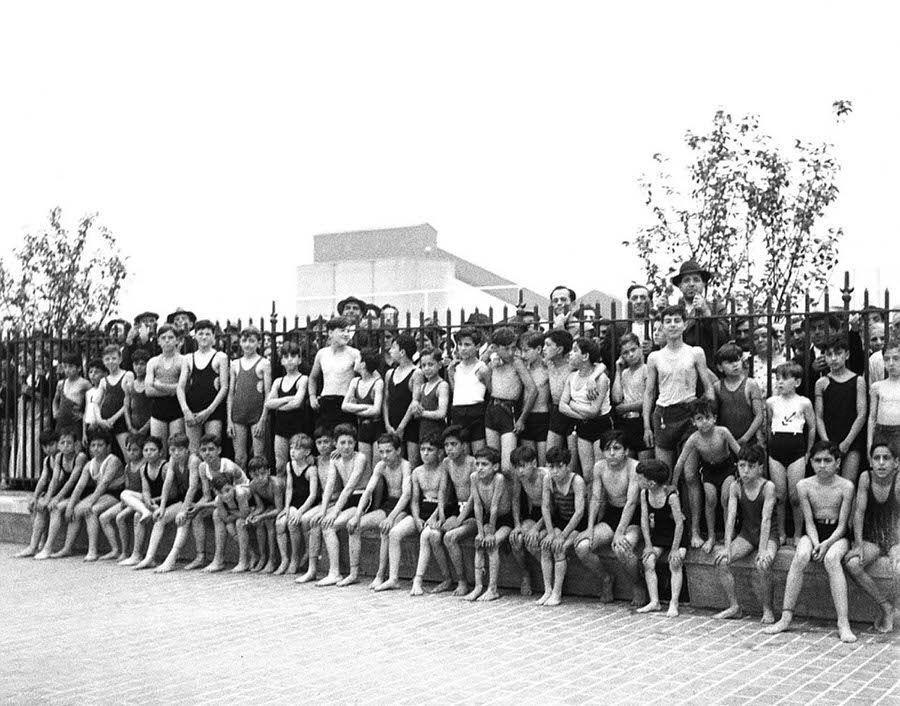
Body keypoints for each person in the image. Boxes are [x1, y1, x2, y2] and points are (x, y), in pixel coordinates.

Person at [765, 441, 857, 643]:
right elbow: (808, 521)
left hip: (837, 534)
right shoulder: (804, 485)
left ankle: (843, 623)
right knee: (800, 555)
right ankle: (785, 617)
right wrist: (816, 543)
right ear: (811, 462)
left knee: (832, 559)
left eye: (827, 460)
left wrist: (826, 545)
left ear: (837, 463)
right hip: (814, 530)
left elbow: (843, 526)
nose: (822, 465)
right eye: (818, 460)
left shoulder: (846, 486)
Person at [713, 444, 778, 622]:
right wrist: (727, 547)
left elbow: (766, 520)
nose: (746, 471)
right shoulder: (735, 486)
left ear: (760, 467)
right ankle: (734, 606)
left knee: (763, 564)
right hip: (747, 534)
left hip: (769, 534)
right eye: (742, 466)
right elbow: (731, 518)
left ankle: (768, 609)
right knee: (722, 561)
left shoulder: (768, 487)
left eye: (751, 466)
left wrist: (763, 549)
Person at [576, 430, 641, 604]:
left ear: (626, 451)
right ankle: (606, 578)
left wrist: (620, 532)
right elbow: (596, 499)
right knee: (582, 547)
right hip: (612, 515)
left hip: (633, 518)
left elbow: (631, 502)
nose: (611, 453)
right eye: (607, 449)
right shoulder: (599, 467)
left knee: (622, 548)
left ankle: (637, 584)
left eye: (616, 448)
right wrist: (590, 528)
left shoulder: (634, 467)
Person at [843, 439, 900, 633]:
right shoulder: (865, 478)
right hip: (872, 535)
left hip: (894, 535)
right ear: (871, 462)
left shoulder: (899, 481)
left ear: (896, 463)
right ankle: (885, 606)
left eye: (886, 458)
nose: (882, 463)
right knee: (852, 564)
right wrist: (858, 544)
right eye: (877, 458)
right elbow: (859, 512)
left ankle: (893, 606)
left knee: (899, 568)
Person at [674, 399, 742, 551]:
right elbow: (680, 462)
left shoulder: (723, 432)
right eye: (699, 419)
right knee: (710, 499)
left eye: (708, 418)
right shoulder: (694, 439)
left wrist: (744, 469)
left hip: (726, 468)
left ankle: (728, 534)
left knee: (726, 497)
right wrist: (673, 484)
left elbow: (739, 451)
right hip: (709, 471)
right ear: (693, 422)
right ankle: (711, 536)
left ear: (714, 418)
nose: (704, 422)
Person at [347, 432, 412, 590]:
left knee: (385, 528)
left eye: (388, 451)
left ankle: (381, 575)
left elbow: (406, 495)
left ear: (398, 450)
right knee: (355, 526)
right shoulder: (380, 466)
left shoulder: (405, 465)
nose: (384, 456)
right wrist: (357, 514)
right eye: (381, 451)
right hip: (388, 504)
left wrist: (391, 518)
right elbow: (368, 491)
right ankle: (353, 573)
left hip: (403, 507)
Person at [47, 429, 125, 561]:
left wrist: (90, 502)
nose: (96, 449)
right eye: (93, 445)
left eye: (100, 445)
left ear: (107, 446)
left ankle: (94, 550)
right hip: (101, 494)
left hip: (115, 493)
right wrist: (71, 505)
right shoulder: (90, 464)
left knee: (90, 510)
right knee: (76, 510)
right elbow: (79, 486)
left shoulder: (113, 461)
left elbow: (104, 484)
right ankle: (67, 547)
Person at [767, 362, 816, 546]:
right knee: (779, 496)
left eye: (784, 378)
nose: (780, 382)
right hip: (776, 452)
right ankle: (781, 533)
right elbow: (768, 425)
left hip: (797, 451)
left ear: (797, 382)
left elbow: (811, 428)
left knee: (795, 497)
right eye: (777, 378)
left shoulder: (804, 402)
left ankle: (797, 533)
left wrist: (808, 451)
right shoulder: (771, 402)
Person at [316, 423, 371, 587]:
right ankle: (334, 572)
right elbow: (329, 487)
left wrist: (335, 512)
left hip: (361, 498)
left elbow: (350, 487)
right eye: (342, 443)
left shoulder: (360, 458)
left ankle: (336, 573)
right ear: (335, 444)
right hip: (346, 499)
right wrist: (324, 510)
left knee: (332, 524)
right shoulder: (336, 461)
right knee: (325, 523)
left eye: (350, 442)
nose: (346, 447)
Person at [135, 433, 199, 570]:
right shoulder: (173, 460)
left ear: (187, 449)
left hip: (198, 499)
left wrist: (183, 511)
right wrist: (162, 507)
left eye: (180, 450)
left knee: (183, 518)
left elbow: (193, 488)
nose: (176, 453)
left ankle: (171, 559)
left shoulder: (193, 460)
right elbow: (167, 484)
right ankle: (149, 558)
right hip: (184, 500)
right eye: (173, 450)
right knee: (160, 518)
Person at [636, 458, 688, 617]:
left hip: (676, 536)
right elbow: (644, 520)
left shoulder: (671, 496)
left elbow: (680, 524)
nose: (637, 480)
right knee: (648, 561)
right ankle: (654, 601)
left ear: (651, 483)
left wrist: (674, 549)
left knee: (675, 562)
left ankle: (674, 602)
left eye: (640, 478)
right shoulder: (644, 493)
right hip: (659, 534)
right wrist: (648, 544)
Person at [537, 445, 586, 607]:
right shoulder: (547, 479)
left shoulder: (576, 481)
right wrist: (551, 533)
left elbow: (579, 512)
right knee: (545, 545)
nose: (555, 471)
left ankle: (557, 592)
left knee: (559, 548)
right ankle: (547, 590)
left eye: (560, 466)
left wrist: (562, 536)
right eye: (551, 467)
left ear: (567, 466)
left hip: (577, 523)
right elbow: (545, 507)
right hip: (561, 520)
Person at [814, 335, 867, 484]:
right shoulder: (821, 383)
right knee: (831, 481)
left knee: (849, 480)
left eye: (838, 353)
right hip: (829, 436)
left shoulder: (858, 381)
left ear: (847, 354)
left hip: (852, 438)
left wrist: (847, 442)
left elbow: (862, 414)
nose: (834, 358)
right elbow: (818, 416)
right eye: (829, 354)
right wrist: (826, 441)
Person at [462, 447, 513, 602]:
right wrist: (480, 532)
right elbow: (477, 505)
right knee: (479, 543)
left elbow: (495, 506)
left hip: (504, 519)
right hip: (487, 518)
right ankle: (478, 587)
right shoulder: (474, 477)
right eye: (477, 464)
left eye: (484, 464)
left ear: (495, 466)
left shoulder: (499, 479)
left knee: (492, 544)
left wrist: (490, 533)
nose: (479, 468)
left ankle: (493, 588)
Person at [484, 327, 537, 474]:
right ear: (495, 348)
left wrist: (521, 419)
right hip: (493, 408)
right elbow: (487, 384)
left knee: (508, 467)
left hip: (509, 410)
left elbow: (533, 390)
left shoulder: (516, 363)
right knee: (492, 462)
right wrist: (490, 363)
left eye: (513, 348)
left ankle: (514, 498)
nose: (510, 353)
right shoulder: (493, 363)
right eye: (506, 349)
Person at [559, 336, 611, 479]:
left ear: (585, 356)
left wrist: (572, 404)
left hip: (601, 425)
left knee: (600, 471)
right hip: (582, 425)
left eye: (575, 350)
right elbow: (562, 406)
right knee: (587, 473)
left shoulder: (601, 379)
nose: (570, 353)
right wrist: (584, 415)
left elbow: (594, 411)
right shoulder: (571, 377)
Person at [33, 428, 88, 559]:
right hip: (66, 494)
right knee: (41, 506)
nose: (65, 446)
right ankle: (33, 546)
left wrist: (56, 498)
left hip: (80, 494)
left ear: (75, 444)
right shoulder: (58, 457)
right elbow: (54, 479)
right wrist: (47, 497)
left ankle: (48, 547)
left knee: (56, 508)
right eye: (62, 443)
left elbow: (72, 481)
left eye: (69, 443)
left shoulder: (80, 457)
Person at [409, 434, 454, 596]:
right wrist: (416, 518)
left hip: (440, 510)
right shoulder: (417, 472)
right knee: (432, 536)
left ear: (439, 452)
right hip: (423, 510)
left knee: (428, 535)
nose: (425, 453)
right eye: (422, 449)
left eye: (430, 449)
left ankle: (417, 580)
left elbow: (444, 496)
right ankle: (447, 578)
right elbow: (414, 500)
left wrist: (433, 517)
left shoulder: (444, 469)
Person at [197, 433, 250, 573]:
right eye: (203, 450)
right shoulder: (203, 468)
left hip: (242, 498)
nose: (207, 453)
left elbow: (235, 492)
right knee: (214, 514)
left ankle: (244, 560)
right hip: (227, 500)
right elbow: (207, 495)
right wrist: (196, 507)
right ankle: (218, 559)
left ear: (219, 450)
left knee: (230, 519)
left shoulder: (228, 467)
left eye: (211, 449)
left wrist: (227, 512)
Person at [118, 435, 171, 566]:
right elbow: (145, 490)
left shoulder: (165, 467)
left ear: (160, 452)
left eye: (152, 450)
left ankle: (147, 556)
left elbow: (172, 493)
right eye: (146, 450)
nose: (148, 453)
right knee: (125, 494)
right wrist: (147, 501)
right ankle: (136, 555)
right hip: (151, 501)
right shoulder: (144, 468)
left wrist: (154, 501)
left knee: (137, 515)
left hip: (166, 501)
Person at [177, 319, 229, 454]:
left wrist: (209, 411)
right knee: (193, 451)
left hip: (213, 410)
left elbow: (224, 387)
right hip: (192, 409)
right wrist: (186, 410)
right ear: (195, 336)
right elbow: (180, 386)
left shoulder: (220, 357)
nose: (204, 337)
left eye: (207, 334)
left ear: (213, 337)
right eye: (200, 334)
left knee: (212, 449)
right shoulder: (188, 358)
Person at [441, 425, 479, 596]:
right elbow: (443, 490)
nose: (449, 449)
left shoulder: (473, 463)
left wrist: (460, 519)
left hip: (473, 513)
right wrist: (442, 515)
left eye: (454, 444)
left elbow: (473, 496)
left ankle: (462, 581)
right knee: (433, 535)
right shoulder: (446, 463)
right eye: (447, 445)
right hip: (457, 509)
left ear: (464, 446)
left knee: (450, 537)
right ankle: (447, 579)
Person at [228, 326, 271, 470]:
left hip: (256, 415)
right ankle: (242, 487)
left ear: (259, 343)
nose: (248, 344)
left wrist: (262, 420)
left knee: (258, 456)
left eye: (252, 341)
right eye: (245, 340)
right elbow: (231, 393)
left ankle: (258, 487)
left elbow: (268, 395)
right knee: (239, 457)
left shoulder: (264, 363)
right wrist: (229, 420)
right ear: (240, 342)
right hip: (238, 414)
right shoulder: (234, 364)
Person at [671, 260, 729, 368]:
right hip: (679, 367)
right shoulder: (674, 311)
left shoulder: (717, 308)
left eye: (696, 280)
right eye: (686, 280)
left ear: (703, 284)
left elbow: (723, 338)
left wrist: (706, 313)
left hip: (708, 367)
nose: (691, 284)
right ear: (680, 286)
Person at [97, 433, 146, 562]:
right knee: (104, 517)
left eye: (135, 450)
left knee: (120, 518)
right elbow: (127, 486)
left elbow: (145, 489)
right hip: (128, 499)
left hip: (139, 500)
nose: (131, 453)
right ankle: (117, 550)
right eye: (128, 450)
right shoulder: (127, 466)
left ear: (142, 450)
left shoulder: (143, 465)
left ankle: (130, 552)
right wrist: (124, 502)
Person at [275, 433, 319, 575]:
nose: (292, 451)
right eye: (291, 448)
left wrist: (300, 511)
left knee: (293, 523)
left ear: (307, 452)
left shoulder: (311, 470)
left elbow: (312, 495)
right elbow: (289, 488)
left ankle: (296, 557)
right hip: (294, 502)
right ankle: (284, 559)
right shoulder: (290, 465)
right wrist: (287, 507)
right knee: (280, 523)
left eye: (297, 449)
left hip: (307, 504)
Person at [308, 316, 361, 431]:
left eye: (348, 331)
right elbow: (312, 377)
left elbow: (366, 377)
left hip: (345, 402)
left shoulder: (354, 353)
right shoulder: (322, 353)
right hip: (325, 402)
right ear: (330, 333)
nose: (346, 334)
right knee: (326, 441)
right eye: (342, 331)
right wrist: (312, 396)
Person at [266, 341, 310, 473]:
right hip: (280, 427)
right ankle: (281, 493)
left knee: (298, 464)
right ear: (281, 361)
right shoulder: (278, 381)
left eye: (293, 356)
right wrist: (287, 399)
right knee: (280, 465)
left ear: (299, 359)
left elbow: (297, 403)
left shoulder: (303, 379)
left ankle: (295, 493)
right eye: (285, 357)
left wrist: (277, 405)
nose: (289, 360)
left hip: (297, 427)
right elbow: (268, 404)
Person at [508, 445, 546, 597]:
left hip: (551, 514)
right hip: (536, 512)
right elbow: (516, 500)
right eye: (517, 467)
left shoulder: (545, 476)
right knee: (516, 539)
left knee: (532, 541)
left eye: (523, 466)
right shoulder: (519, 477)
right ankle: (525, 573)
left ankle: (549, 574)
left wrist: (536, 528)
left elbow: (551, 507)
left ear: (534, 463)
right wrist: (517, 525)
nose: (520, 471)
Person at [15, 430, 59, 558]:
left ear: (57, 443)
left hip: (62, 492)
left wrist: (47, 498)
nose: (48, 448)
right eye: (45, 446)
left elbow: (56, 480)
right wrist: (34, 496)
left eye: (51, 444)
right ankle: (35, 544)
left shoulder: (59, 457)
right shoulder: (47, 460)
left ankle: (41, 546)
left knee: (44, 505)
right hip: (53, 492)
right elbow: (43, 479)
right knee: (35, 505)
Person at [447, 326, 489, 453]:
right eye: (460, 344)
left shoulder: (481, 368)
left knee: (478, 451)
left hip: (476, 411)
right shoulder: (455, 367)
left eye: (467, 344)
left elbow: (490, 390)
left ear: (477, 347)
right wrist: (450, 374)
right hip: (458, 411)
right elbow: (456, 390)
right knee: (462, 453)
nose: (462, 348)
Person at [383, 333, 423, 466]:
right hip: (392, 423)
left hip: (409, 424)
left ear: (402, 352)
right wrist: (388, 424)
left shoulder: (416, 373)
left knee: (411, 463)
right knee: (395, 464)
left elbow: (414, 401)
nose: (390, 350)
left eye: (393, 347)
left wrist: (402, 427)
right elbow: (386, 401)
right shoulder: (390, 373)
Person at [714, 342, 764, 447]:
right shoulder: (718, 387)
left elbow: (759, 415)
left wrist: (745, 438)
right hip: (726, 442)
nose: (735, 365)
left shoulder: (751, 384)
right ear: (720, 367)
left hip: (749, 441)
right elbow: (715, 416)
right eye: (729, 362)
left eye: (737, 360)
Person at [341, 348, 384, 470]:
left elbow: (376, 410)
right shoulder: (355, 382)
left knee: (377, 468)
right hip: (362, 428)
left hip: (376, 428)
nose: (355, 362)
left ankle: (376, 490)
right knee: (365, 467)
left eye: (358, 359)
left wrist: (354, 408)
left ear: (363, 364)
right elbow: (344, 406)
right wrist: (366, 407)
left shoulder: (378, 383)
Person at [145, 324, 185, 450]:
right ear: (158, 341)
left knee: (177, 448)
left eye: (170, 337)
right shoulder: (153, 362)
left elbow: (184, 387)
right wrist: (173, 390)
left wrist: (159, 385)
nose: (167, 340)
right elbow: (149, 391)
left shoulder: (183, 361)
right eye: (163, 337)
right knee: (158, 449)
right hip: (158, 410)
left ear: (177, 340)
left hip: (176, 410)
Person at [612, 333, 650, 459]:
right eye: (626, 353)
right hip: (626, 423)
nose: (631, 355)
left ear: (640, 349)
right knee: (629, 464)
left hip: (641, 420)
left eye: (633, 350)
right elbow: (617, 398)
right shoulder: (624, 373)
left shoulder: (646, 369)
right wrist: (618, 371)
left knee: (645, 464)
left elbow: (648, 400)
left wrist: (625, 408)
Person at [245, 456, 285, 573]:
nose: (260, 478)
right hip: (270, 506)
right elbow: (260, 507)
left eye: (263, 474)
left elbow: (279, 508)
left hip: (284, 505)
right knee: (258, 523)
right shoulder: (253, 485)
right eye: (256, 475)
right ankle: (263, 557)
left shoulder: (276, 484)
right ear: (251, 475)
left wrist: (261, 516)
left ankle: (272, 559)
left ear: (268, 471)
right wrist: (252, 515)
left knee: (268, 521)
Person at [208, 473, 253, 573]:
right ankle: (218, 559)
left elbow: (245, 514)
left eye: (228, 490)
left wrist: (230, 512)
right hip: (239, 512)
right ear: (215, 492)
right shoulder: (218, 500)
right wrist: (234, 513)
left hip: (255, 510)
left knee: (239, 524)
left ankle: (244, 560)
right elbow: (225, 518)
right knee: (217, 515)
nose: (225, 495)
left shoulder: (240, 494)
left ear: (233, 485)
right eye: (221, 492)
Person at [519, 332, 550, 465]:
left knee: (543, 462)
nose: (523, 355)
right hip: (526, 418)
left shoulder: (547, 369)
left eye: (526, 351)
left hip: (542, 416)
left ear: (538, 349)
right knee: (528, 462)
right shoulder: (523, 369)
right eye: (522, 351)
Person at [868, 341, 900, 456]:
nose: (891, 363)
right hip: (881, 435)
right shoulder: (877, 387)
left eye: (896, 358)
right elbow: (872, 418)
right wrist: (869, 445)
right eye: (886, 359)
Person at [414, 348, 449, 444]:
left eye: (430, 364)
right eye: (423, 365)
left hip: (437, 432)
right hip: (423, 431)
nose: (426, 368)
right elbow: (417, 408)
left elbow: (442, 413)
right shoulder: (423, 387)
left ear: (440, 365)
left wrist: (422, 413)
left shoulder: (442, 385)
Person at [52, 352, 91, 431]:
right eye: (65, 367)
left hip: (75, 421)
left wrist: (83, 415)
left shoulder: (84, 383)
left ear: (79, 368)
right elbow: (55, 399)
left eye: (70, 367)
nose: (67, 370)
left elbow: (92, 400)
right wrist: (55, 411)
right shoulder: (60, 383)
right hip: (61, 421)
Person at [749, 324, 786, 397]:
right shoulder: (749, 362)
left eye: (764, 336)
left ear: (775, 339)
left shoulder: (785, 360)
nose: (760, 340)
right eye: (755, 338)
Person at [124, 349, 152, 437]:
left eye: (142, 364)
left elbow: (157, 408)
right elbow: (126, 408)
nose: (139, 367)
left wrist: (146, 427)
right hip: (133, 428)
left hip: (149, 427)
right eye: (136, 364)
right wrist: (130, 427)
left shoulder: (150, 384)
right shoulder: (130, 385)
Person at [82, 358, 107, 443]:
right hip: (88, 426)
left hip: (98, 426)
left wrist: (96, 422)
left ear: (104, 374)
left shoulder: (104, 390)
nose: (92, 375)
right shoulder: (89, 392)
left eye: (96, 372)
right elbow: (86, 412)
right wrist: (84, 433)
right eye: (90, 372)